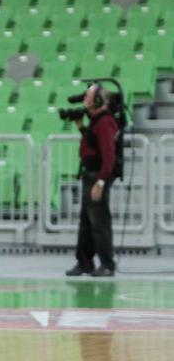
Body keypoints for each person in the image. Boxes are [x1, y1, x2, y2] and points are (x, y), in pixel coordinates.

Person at [66, 84, 119, 277]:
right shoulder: (96, 121)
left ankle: (107, 264)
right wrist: (81, 127)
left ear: (98, 100)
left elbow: (109, 155)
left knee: (99, 222)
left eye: (88, 96)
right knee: (86, 222)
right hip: (90, 174)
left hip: (98, 176)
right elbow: (92, 145)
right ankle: (84, 262)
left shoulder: (105, 122)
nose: (84, 99)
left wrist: (101, 182)